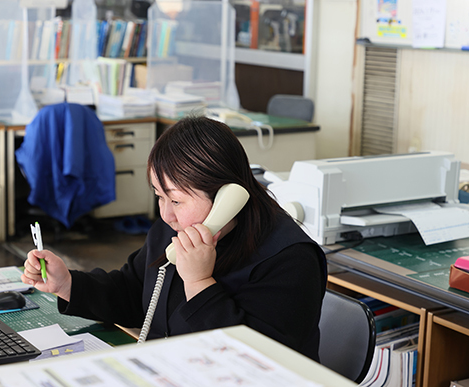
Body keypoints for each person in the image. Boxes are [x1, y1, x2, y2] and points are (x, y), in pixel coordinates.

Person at [21, 116, 327, 361]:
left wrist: (199, 284)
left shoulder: (290, 259)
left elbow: (255, 361)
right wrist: (68, 285)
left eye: (177, 200)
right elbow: (133, 291)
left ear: (226, 195)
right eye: (159, 196)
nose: (166, 215)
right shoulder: (176, 227)